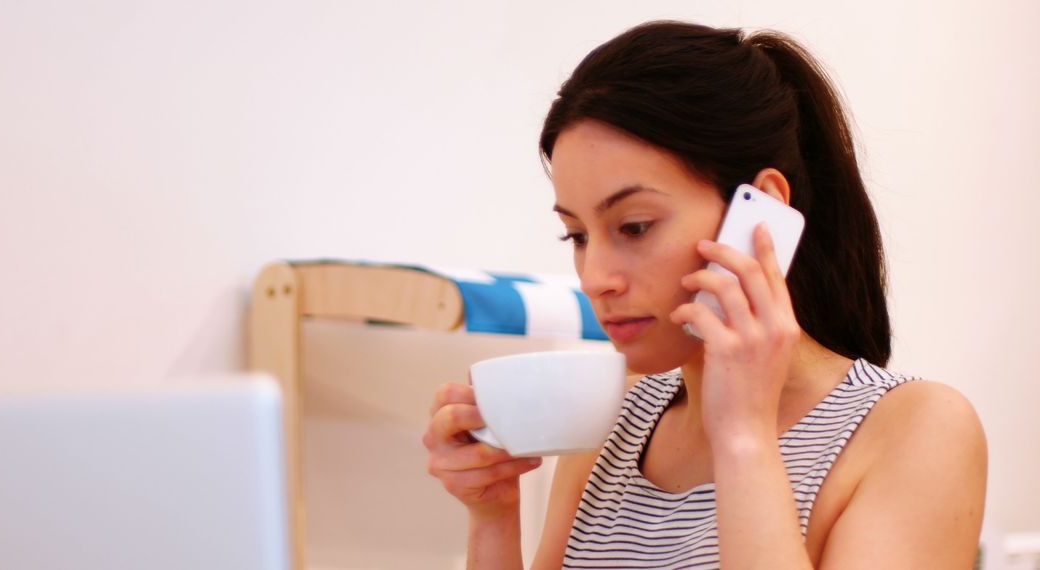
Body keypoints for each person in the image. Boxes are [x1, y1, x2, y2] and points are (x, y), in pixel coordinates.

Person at [422, 20, 986, 569]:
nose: (595, 276)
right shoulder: (614, 423)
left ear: (761, 212)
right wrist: (491, 517)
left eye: (635, 226)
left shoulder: (915, 430)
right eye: (577, 235)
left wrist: (743, 435)